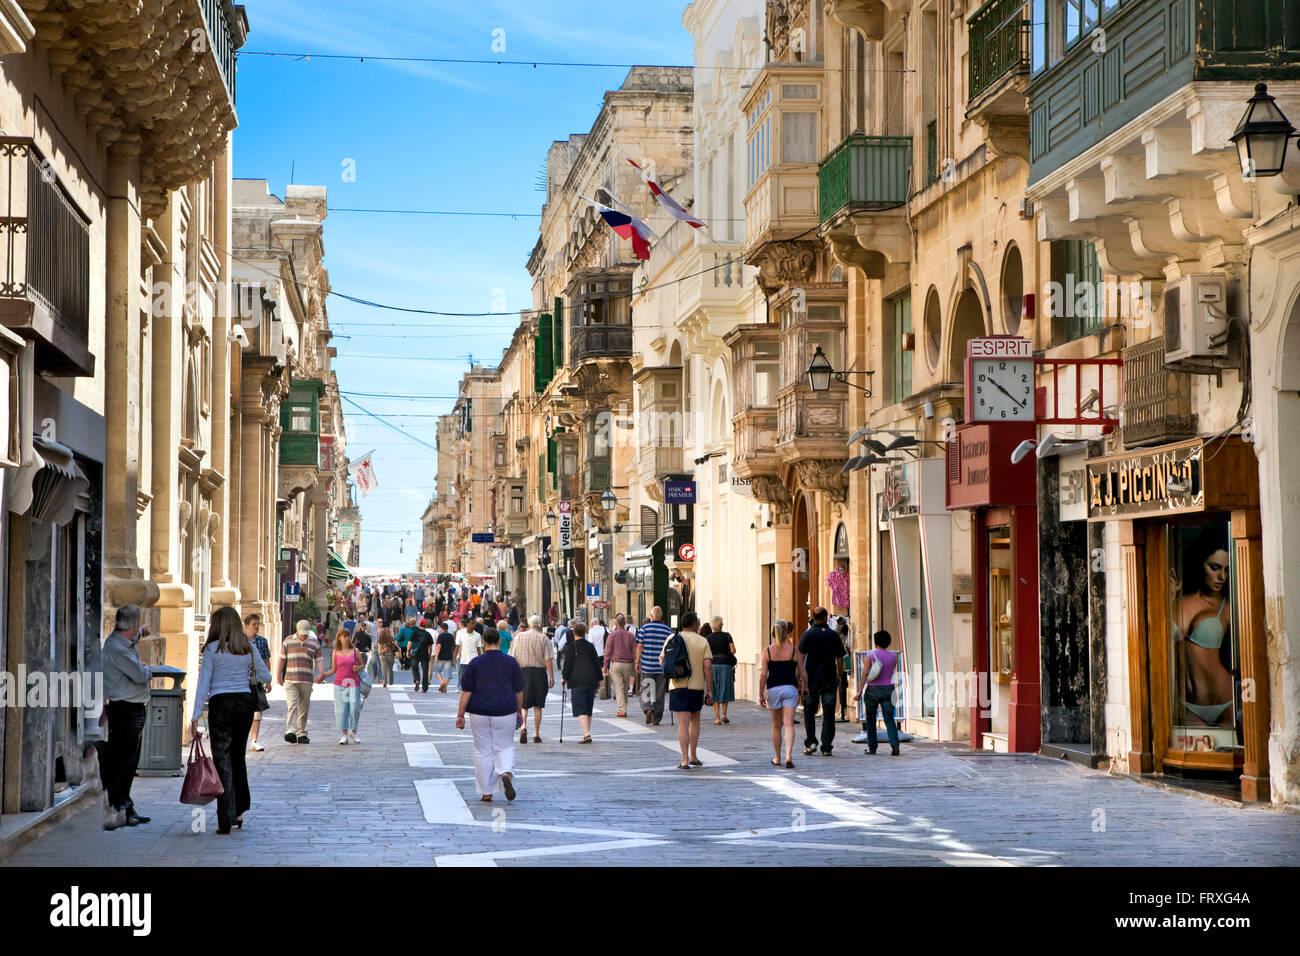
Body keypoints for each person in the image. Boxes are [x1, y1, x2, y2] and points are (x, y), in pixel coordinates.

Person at [190, 606, 272, 834]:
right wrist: (247, 676)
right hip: (244, 704)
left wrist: (196, 715)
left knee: (222, 760)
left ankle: (224, 818)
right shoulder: (248, 647)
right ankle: (239, 810)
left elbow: (203, 684)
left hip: (221, 704)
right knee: (238, 757)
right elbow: (266, 676)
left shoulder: (212, 649)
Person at [1174, 527, 1235, 726]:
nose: (1222, 577)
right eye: (1215, 567)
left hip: (1224, 699)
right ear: (1201, 563)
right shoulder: (1178, 601)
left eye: (1226, 570)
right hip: (1185, 702)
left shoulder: (1228, 607)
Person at [455, 628, 524, 802]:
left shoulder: (475, 663)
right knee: (505, 746)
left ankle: (487, 791)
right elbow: (519, 690)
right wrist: (518, 710)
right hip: (505, 711)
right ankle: (506, 772)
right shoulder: (511, 662)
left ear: (483, 643)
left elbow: (466, 691)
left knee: (483, 751)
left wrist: (460, 714)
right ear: (499, 642)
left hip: (479, 712)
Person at [100, 604, 153, 830]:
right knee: (124, 761)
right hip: (126, 709)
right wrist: (148, 670)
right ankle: (120, 806)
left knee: (129, 760)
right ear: (131, 625)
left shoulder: (124, 640)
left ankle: (125, 805)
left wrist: (142, 631)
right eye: (136, 625)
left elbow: (133, 637)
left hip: (131, 707)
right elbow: (140, 676)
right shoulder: (116, 648)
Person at [661, 612, 712, 769]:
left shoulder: (672, 638)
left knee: (682, 723)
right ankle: (693, 756)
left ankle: (684, 759)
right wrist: (709, 689)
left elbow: (662, 659)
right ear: (695, 623)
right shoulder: (702, 641)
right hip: (696, 686)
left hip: (677, 684)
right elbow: (708, 666)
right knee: (694, 721)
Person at [799, 607, 846, 756]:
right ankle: (826, 746)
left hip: (811, 679)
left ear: (813, 617)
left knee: (809, 711)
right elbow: (840, 658)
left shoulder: (807, 635)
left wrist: (801, 679)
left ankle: (811, 741)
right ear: (826, 617)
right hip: (829, 678)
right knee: (829, 712)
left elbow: (800, 660)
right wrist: (839, 674)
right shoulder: (833, 635)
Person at [760, 620, 804, 768]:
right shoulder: (793, 650)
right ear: (787, 632)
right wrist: (805, 686)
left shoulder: (767, 651)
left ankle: (777, 757)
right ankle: (788, 756)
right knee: (789, 724)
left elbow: (763, 674)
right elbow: (803, 672)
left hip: (773, 689)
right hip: (790, 688)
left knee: (776, 726)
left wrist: (760, 693)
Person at [855, 630, 902, 756]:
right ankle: (895, 744)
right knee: (889, 719)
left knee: (870, 719)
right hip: (888, 689)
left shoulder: (870, 655)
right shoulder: (894, 656)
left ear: (875, 642)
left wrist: (859, 691)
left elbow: (865, 674)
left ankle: (872, 747)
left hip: (873, 690)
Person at [510, 615, 554, 743]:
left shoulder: (518, 637)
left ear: (529, 625)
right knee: (538, 705)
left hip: (523, 672)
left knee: (524, 704)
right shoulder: (544, 639)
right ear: (540, 625)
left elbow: (512, 657)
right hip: (539, 673)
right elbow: (548, 659)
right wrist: (551, 676)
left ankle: (523, 727)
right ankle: (536, 733)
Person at [277, 620, 321, 744]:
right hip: (290, 679)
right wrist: (278, 674)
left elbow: (319, 660)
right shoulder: (288, 641)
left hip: (307, 679)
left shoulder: (314, 643)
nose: (303, 635)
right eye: (301, 633)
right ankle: (290, 731)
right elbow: (281, 659)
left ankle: (301, 732)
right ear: (297, 631)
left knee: (304, 707)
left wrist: (321, 674)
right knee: (292, 705)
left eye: (305, 633)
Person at [318, 630, 363, 745]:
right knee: (342, 710)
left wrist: (357, 668)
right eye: (344, 636)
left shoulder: (355, 651)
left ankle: (353, 731)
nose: (347, 638)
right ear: (339, 638)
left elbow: (362, 665)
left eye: (348, 636)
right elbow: (333, 669)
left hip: (353, 684)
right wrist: (323, 675)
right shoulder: (335, 652)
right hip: (340, 684)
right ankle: (344, 734)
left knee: (354, 709)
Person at [561, 622, 602, 744]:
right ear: (585, 633)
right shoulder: (590, 646)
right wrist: (599, 678)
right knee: (588, 708)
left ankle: (586, 733)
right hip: (591, 679)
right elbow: (596, 663)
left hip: (577, 680)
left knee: (580, 708)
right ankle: (586, 733)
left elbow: (568, 665)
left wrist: (564, 678)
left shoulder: (571, 647)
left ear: (574, 633)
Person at [635, 607, 672, 726]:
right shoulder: (667, 630)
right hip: (661, 666)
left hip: (647, 665)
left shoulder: (644, 628)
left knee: (647, 689)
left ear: (651, 615)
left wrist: (637, 661)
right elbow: (670, 648)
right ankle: (657, 719)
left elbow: (640, 646)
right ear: (661, 616)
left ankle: (648, 709)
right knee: (660, 693)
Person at [245, 613, 272, 752]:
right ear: (246, 625)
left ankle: (254, 740)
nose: (256, 626)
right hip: (242, 682)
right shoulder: (240, 642)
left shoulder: (262, 641)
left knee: (257, 712)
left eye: (257, 624)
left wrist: (268, 680)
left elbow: (266, 660)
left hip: (257, 682)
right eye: (254, 624)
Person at [604, 614, 638, 718]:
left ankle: (621, 709)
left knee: (618, 687)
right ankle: (624, 708)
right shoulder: (631, 636)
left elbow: (608, 651)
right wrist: (636, 663)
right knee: (625, 687)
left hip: (616, 664)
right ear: (625, 624)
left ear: (615, 623)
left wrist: (605, 665)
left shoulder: (612, 635)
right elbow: (635, 651)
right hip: (628, 664)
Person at [705, 615, 737, 726]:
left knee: (714, 690)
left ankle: (717, 718)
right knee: (725, 688)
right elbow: (733, 650)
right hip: (725, 665)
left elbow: (706, 653)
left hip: (713, 665)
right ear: (721, 625)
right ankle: (724, 714)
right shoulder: (727, 636)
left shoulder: (708, 638)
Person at [409, 620, 435, 693]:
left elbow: (410, 642)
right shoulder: (428, 634)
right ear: (425, 626)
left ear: (419, 624)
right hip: (424, 654)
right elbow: (430, 647)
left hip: (415, 654)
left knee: (414, 668)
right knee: (425, 671)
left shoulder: (415, 632)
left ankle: (417, 679)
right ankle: (424, 688)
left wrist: (408, 651)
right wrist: (429, 655)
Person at [433, 622, 457, 692]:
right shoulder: (451, 636)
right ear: (447, 628)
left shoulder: (440, 636)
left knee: (437, 671)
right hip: (449, 657)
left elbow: (439, 646)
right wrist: (453, 657)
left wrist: (436, 656)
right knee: (447, 674)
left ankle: (442, 682)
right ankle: (445, 687)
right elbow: (453, 647)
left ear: (441, 628)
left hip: (441, 656)